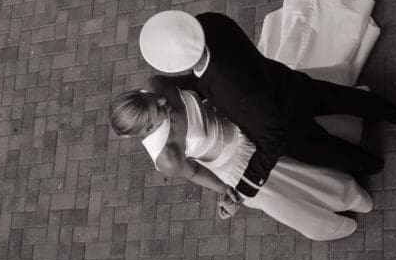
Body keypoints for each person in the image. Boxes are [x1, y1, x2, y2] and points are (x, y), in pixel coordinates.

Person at [138, 0, 396, 202]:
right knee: (338, 97)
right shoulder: (211, 22)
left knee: (328, 150)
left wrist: (245, 188)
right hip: (285, 81)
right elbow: (203, 79)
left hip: (287, 124)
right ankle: (391, 111)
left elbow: (271, 138)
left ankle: (371, 164)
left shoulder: (233, 93)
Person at [109, 79, 371, 241]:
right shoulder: (167, 157)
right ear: (147, 130)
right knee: (294, 185)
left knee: (303, 137)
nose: (163, 99)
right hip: (237, 162)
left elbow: (196, 85)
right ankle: (345, 197)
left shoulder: (157, 83)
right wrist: (223, 189)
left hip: (241, 119)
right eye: (159, 109)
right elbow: (195, 172)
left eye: (152, 98)